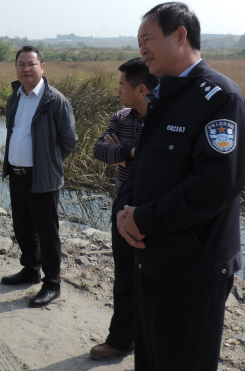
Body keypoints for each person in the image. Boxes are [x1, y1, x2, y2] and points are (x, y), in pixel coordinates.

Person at [116, 3, 245, 371]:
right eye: (139, 42)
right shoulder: (164, 96)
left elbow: (215, 185)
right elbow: (145, 166)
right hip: (152, 260)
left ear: (180, 35)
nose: (142, 49)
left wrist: (143, 219)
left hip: (193, 269)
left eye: (148, 39)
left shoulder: (219, 97)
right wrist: (124, 211)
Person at [0, 45, 78, 307]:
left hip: (42, 176)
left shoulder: (55, 101)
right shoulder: (15, 97)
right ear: (16, 68)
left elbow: (69, 140)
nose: (26, 69)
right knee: (22, 227)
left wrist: (48, 162)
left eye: (31, 64)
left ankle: (52, 283)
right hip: (17, 173)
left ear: (42, 67)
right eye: (21, 64)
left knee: (47, 231)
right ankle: (30, 269)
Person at [90, 57, 158, 360]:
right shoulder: (121, 116)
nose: (118, 90)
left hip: (153, 210)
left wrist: (123, 155)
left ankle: (153, 343)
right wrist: (130, 151)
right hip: (122, 206)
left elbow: (158, 160)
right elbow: (99, 150)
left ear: (140, 88)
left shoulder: (163, 118)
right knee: (125, 277)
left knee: (155, 280)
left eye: (122, 85)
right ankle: (120, 339)